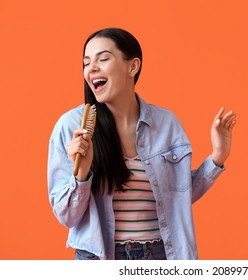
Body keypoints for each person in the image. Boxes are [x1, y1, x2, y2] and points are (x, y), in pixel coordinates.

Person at [47, 27, 237, 260]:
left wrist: (218, 156)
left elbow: (178, 197)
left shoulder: (166, 123)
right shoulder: (71, 127)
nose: (91, 68)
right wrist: (82, 175)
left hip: (161, 255)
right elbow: (67, 216)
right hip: (101, 259)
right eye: (86, 63)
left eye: (103, 58)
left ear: (133, 66)